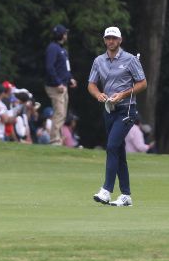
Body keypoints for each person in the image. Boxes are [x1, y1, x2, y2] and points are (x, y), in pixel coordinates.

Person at [87, 26, 147, 207]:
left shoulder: (130, 60)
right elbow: (91, 84)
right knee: (119, 151)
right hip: (109, 110)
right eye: (108, 38)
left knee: (112, 146)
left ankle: (106, 190)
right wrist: (98, 94)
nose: (111, 41)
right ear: (105, 40)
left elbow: (143, 83)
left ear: (120, 40)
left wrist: (123, 94)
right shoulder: (99, 61)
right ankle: (126, 195)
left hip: (127, 109)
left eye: (114, 38)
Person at [44, 24, 77, 145]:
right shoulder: (53, 48)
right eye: (65, 33)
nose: (66, 35)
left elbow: (64, 69)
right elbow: (50, 67)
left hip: (63, 86)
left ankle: (58, 138)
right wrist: (57, 83)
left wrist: (70, 79)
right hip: (55, 87)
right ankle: (54, 140)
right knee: (59, 112)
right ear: (61, 35)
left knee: (62, 113)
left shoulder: (62, 50)